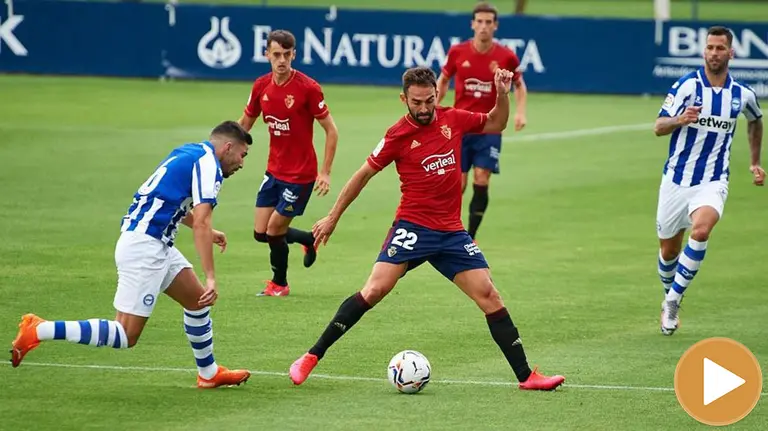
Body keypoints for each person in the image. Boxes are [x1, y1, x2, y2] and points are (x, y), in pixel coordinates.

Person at [288, 66, 565, 391]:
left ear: (437, 95)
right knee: (374, 290)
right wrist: (333, 217)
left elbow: (497, 121)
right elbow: (362, 175)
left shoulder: (453, 119)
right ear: (404, 98)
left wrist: (502, 94)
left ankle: (527, 377)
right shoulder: (396, 135)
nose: (423, 108)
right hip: (412, 227)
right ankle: (311, 356)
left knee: (489, 294)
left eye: (429, 100)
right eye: (416, 102)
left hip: (450, 233)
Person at [10, 121, 254, 388]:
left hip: (153, 243)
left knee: (197, 302)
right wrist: (211, 277)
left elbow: (163, 199)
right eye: (242, 155)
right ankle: (39, 329)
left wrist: (208, 229)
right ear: (228, 147)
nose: (241, 163)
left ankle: (208, 374)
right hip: (144, 249)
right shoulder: (209, 166)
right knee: (125, 334)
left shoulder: (189, 152)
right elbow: (201, 224)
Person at [654, 26, 764, 335]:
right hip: (676, 180)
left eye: (720, 48)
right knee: (668, 251)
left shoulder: (742, 94)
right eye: (710, 47)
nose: (714, 53)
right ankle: (667, 296)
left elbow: (756, 120)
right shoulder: (687, 86)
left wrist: (755, 162)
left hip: (713, 181)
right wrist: (680, 119)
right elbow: (658, 126)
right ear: (704, 51)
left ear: (731, 53)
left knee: (701, 230)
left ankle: (674, 300)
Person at [238, 29, 339, 297]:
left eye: (286, 54)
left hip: (301, 175)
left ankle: (279, 284)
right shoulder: (261, 86)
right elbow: (245, 124)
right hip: (274, 171)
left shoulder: (308, 88)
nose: (281, 60)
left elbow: (332, 130)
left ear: (294, 54)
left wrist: (325, 172)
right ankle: (308, 239)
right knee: (261, 233)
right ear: (266, 55)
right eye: (276, 55)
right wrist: (228, 151)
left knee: (274, 230)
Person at [437, 1, 527, 241]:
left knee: (481, 177)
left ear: (495, 26)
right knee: (459, 182)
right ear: (472, 24)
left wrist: (520, 112)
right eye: (480, 22)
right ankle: (449, 228)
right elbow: (444, 79)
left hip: (490, 126)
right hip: (461, 127)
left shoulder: (506, 56)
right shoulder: (458, 52)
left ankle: (471, 235)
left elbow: (519, 85)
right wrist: (435, 103)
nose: (484, 26)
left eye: (489, 22)